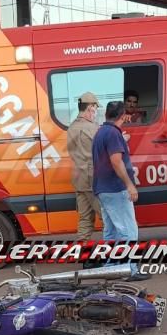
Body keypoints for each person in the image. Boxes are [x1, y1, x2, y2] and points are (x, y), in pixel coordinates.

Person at [91, 101, 148, 282]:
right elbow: (116, 161)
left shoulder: (101, 132)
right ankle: (128, 269)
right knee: (128, 231)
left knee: (112, 232)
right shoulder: (113, 134)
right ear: (123, 115)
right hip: (116, 188)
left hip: (102, 188)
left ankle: (111, 267)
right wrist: (129, 184)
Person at [66, 92, 101, 244]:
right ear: (90, 108)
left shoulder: (71, 128)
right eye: (95, 108)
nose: (96, 112)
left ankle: (82, 251)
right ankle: (114, 254)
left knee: (85, 219)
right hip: (92, 178)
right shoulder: (93, 128)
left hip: (78, 178)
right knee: (106, 217)